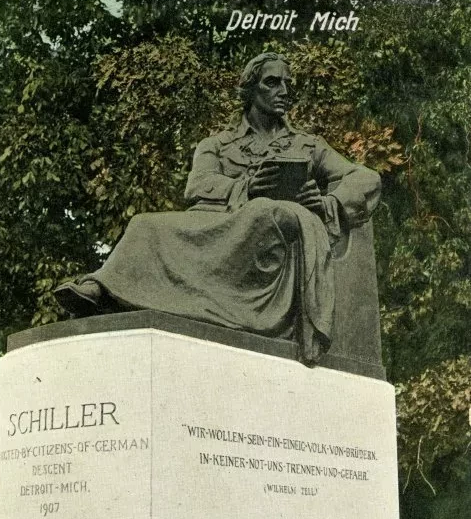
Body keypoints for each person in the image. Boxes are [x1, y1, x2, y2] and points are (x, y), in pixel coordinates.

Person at [55, 52, 381, 362]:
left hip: (270, 234)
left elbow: (366, 179)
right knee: (143, 223)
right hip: (219, 226)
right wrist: (246, 187)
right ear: (250, 90)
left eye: (287, 84)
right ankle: (103, 290)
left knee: (263, 213)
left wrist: (329, 204)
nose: (283, 91)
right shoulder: (217, 144)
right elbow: (197, 186)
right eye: (272, 83)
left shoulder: (308, 145)